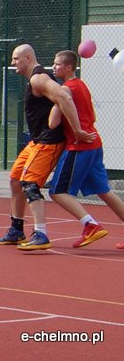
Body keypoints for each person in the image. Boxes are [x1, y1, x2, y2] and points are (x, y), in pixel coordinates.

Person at [0, 44, 95, 250]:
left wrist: (77, 130)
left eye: (15, 59)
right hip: (37, 140)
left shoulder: (39, 78)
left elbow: (64, 97)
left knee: (30, 185)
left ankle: (41, 233)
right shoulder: (35, 79)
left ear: (28, 58)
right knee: (15, 180)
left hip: (49, 142)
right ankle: (17, 229)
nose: (13, 63)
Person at [47, 50, 124, 249]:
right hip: (95, 143)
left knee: (57, 191)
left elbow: (53, 123)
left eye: (57, 64)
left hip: (79, 146)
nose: (54, 67)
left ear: (69, 67)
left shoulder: (64, 90)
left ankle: (90, 225)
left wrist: (54, 100)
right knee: (104, 190)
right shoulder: (81, 85)